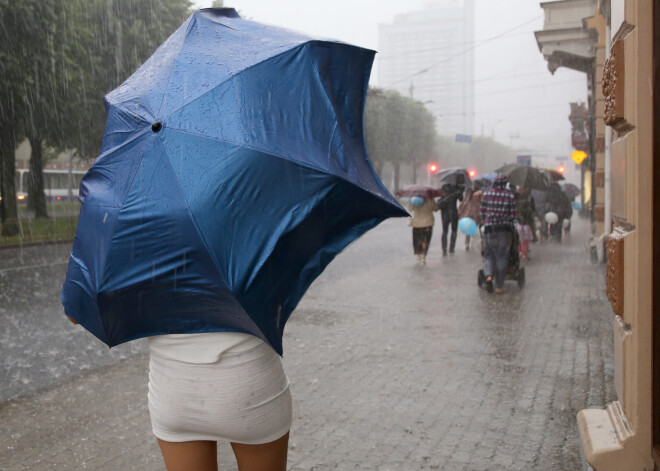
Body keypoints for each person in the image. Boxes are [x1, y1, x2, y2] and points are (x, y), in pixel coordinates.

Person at [67, 330, 291, 471]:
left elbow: (74, 310)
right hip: (248, 387)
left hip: (175, 390)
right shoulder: (250, 251)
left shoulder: (136, 254)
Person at [479, 174, 517, 294]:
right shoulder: (509, 195)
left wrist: (488, 219)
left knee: (489, 254)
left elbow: (482, 212)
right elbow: (512, 214)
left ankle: (489, 276)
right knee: (502, 255)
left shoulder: (487, 194)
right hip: (505, 230)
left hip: (490, 229)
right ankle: (499, 286)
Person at [408, 196, 440, 264]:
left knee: (417, 239)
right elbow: (436, 208)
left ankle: (418, 256)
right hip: (427, 223)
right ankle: (424, 257)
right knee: (425, 240)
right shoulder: (430, 199)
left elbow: (410, 209)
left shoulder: (415, 199)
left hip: (417, 223)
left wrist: (412, 201)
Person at [437, 183, 464, 255]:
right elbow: (461, 199)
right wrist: (460, 192)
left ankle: (444, 249)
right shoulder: (455, 188)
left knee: (445, 231)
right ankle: (451, 248)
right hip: (453, 213)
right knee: (454, 230)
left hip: (444, 213)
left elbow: (440, 201)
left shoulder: (443, 188)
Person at [515, 188, 536, 258]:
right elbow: (532, 212)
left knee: (519, 239)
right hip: (526, 223)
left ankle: (520, 251)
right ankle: (525, 252)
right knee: (526, 240)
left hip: (519, 223)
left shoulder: (516, 201)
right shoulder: (529, 201)